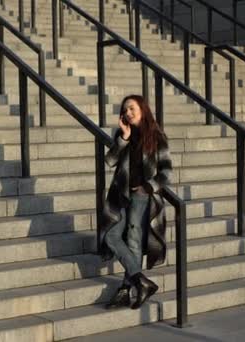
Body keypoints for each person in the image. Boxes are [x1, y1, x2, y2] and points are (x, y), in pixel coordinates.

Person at [100, 94, 172, 310]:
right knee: (111, 235)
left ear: (142, 109)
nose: (128, 113)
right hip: (121, 195)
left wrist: (147, 187)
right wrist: (123, 138)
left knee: (133, 239)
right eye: (125, 110)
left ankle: (125, 290)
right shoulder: (124, 135)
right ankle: (141, 282)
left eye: (132, 109)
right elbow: (110, 160)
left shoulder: (157, 137)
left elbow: (166, 172)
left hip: (143, 196)